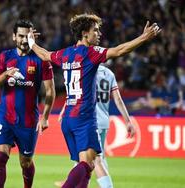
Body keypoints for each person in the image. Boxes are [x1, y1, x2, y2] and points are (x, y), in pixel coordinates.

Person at [28, 13, 160, 187]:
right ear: (84, 33)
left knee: (87, 166)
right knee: (87, 164)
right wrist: (144, 37)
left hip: (68, 118)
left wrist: (31, 42)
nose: (99, 34)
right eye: (95, 31)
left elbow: (44, 54)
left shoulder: (65, 54)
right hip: (84, 118)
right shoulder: (91, 53)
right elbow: (120, 50)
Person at [0, 19, 55, 188]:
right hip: (5, 116)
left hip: (28, 120)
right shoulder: (5, 56)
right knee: (1, 157)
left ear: (33, 37)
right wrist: (6, 74)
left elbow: (50, 91)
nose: (24, 40)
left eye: (28, 36)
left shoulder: (42, 60)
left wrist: (46, 117)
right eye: (21, 36)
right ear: (14, 37)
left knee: (25, 162)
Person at [55, 64, 135, 187]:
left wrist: (64, 110)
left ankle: (106, 186)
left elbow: (76, 94)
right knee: (86, 158)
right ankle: (72, 182)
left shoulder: (85, 71)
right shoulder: (109, 73)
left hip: (88, 120)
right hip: (103, 121)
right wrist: (128, 121)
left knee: (96, 160)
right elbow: (118, 99)